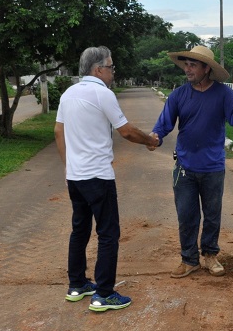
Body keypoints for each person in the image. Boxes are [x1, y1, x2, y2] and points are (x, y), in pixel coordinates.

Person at [55, 46, 158, 312]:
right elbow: (126, 132)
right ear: (98, 69)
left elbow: (59, 132)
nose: (113, 72)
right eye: (111, 67)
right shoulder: (103, 94)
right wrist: (150, 140)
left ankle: (77, 285)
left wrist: (70, 167)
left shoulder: (68, 94)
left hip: (76, 177)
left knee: (80, 230)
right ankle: (104, 293)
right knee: (108, 233)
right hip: (98, 176)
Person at [151, 45, 233, 279]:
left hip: (213, 167)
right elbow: (164, 124)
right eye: (186, 64)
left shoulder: (224, 94)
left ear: (207, 68)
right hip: (185, 167)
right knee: (186, 215)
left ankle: (210, 255)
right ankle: (189, 259)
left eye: (193, 65)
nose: (188, 69)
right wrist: (154, 137)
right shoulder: (179, 96)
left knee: (212, 214)